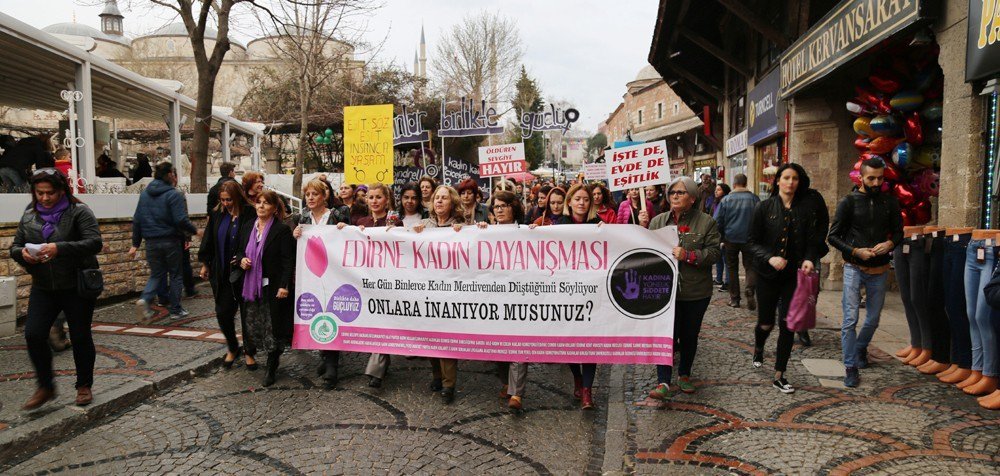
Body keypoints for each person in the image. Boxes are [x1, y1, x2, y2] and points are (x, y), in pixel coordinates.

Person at [11, 168, 102, 409]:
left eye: (49, 193)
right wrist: (22, 254)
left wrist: (58, 248)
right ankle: (46, 386)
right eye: (39, 193)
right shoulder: (30, 214)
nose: (44, 198)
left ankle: (84, 385)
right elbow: (15, 245)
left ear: (62, 191)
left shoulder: (79, 212)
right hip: (44, 286)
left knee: (80, 336)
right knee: (33, 334)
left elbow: (95, 243)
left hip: (76, 285)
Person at [747, 163, 826, 394]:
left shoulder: (806, 209)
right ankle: (759, 346)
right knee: (766, 323)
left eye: (795, 178)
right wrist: (770, 257)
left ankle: (780, 374)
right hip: (767, 274)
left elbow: (815, 239)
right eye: (786, 178)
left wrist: (810, 258)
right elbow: (751, 242)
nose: (790, 182)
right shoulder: (764, 207)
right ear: (778, 181)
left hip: (794, 276)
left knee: (788, 325)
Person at [827, 158, 902, 387]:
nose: (876, 182)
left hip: (879, 269)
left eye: (880, 178)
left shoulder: (890, 203)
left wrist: (890, 245)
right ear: (861, 177)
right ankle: (850, 366)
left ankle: (860, 348)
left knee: (873, 318)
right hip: (853, 267)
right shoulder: (848, 202)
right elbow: (833, 236)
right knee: (850, 318)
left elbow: (899, 233)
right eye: (871, 178)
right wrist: (855, 251)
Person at [529, 184, 604, 409]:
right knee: (572, 340)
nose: (582, 203)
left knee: (590, 342)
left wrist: (607, 232)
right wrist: (532, 232)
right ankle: (577, 377)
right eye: (577, 199)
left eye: (586, 199)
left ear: (591, 203)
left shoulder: (598, 225)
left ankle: (588, 390)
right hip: (567, 291)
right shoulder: (559, 225)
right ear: (569, 202)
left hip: (591, 290)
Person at [647, 177, 721, 401]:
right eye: (672, 193)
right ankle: (663, 381)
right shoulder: (658, 221)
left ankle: (685, 374)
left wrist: (688, 255)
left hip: (695, 291)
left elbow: (714, 253)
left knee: (689, 335)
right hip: (664, 291)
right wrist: (642, 228)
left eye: (680, 192)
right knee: (666, 335)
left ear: (692, 197)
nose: (675, 196)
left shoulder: (706, 222)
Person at [292, 179, 349, 389]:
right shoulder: (303, 217)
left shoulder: (335, 215)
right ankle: (324, 355)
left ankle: (332, 363)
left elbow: (347, 240)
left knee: (331, 313)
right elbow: (296, 245)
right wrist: (295, 234)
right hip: (311, 275)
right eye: (308, 195)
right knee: (316, 312)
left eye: (314, 194)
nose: (310, 198)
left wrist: (345, 228)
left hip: (333, 274)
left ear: (323, 196)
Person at [412, 185, 465, 403]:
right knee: (431, 337)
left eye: (444, 198)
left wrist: (477, 229)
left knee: (447, 339)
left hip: (451, 292)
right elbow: (397, 237)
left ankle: (448, 385)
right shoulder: (424, 225)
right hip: (428, 291)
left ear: (452, 202)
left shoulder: (461, 227)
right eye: (437, 198)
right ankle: (436, 375)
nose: (440, 201)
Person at [236, 190, 294, 387]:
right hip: (251, 286)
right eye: (258, 202)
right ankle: (257, 354)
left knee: (273, 327)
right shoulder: (247, 228)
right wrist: (241, 260)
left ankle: (272, 364)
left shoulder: (281, 230)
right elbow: (239, 251)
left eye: (266, 203)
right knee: (254, 324)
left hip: (272, 286)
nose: (260, 206)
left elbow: (288, 261)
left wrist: (284, 286)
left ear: (274, 208)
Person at [476, 190, 527, 409]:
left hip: (520, 296)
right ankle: (506, 382)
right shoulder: (486, 231)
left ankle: (517, 393)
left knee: (519, 344)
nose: (499, 209)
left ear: (513, 207)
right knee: (498, 345)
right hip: (495, 297)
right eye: (496, 206)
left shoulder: (526, 231)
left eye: (503, 205)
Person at [129, 162, 198, 320]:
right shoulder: (175, 195)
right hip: (170, 240)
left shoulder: (145, 194)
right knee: (175, 274)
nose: (175, 176)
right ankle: (175, 309)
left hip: (151, 242)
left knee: (156, 274)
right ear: (169, 175)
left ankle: (145, 299)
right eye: (174, 173)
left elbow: (137, 219)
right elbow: (181, 219)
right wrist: (195, 231)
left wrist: (135, 244)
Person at [199, 180, 256, 370]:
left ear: (238, 197)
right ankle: (233, 346)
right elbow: (209, 238)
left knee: (247, 313)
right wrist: (205, 263)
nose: (226, 203)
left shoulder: (250, 213)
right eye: (223, 200)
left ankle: (250, 351)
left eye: (229, 199)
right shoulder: (217, 214)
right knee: (223, 313)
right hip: (222, 271)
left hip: (245, 272)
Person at [350, 183, 401, 388]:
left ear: (386, 200)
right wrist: (348, 230)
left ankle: (376, 369)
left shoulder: (395, 222)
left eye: (378, 197)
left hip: (388, 279)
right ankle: (381, 361)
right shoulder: (362, 221)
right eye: (371, 197)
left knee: (383, 321)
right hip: (366, 279)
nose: (374, 201)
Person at [713, 174, 760, 309]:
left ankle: (734, 299)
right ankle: (750, 289)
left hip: (730, 238)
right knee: (750, 266)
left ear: (734, 184)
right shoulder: (754, 199)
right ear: (745, 184)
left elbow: (718, 221)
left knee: (732, 267)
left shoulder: (726, 200)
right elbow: (760, 219)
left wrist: (721, 236)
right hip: (750, 238)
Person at [712, 183, 731, 290]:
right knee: (718, 258)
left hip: (724, 235)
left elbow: (721, 220)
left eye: (718, 190)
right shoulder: (716, 202)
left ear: (724, 191)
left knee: (726, 259)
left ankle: (728, 282)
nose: (716, 191)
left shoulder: (726, 201)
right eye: (716, 189)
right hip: (716, 234)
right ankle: (719, 279)